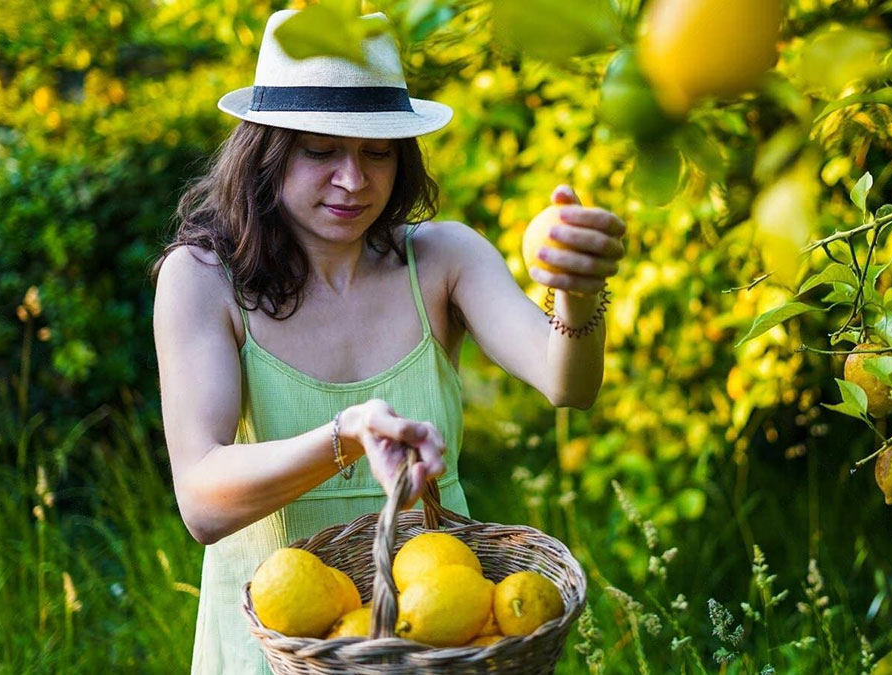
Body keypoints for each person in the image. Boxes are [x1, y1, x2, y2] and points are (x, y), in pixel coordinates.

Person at [150, 8, 625, 674]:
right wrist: (346, 435)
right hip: (275, 645)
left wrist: (578, 289)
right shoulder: (203, 278)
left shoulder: (443, 258)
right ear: (267, 151)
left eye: (378, 152)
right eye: (321, 151)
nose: (354, 180)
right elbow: (202, 502)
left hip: (437, 633)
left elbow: (567, 383)